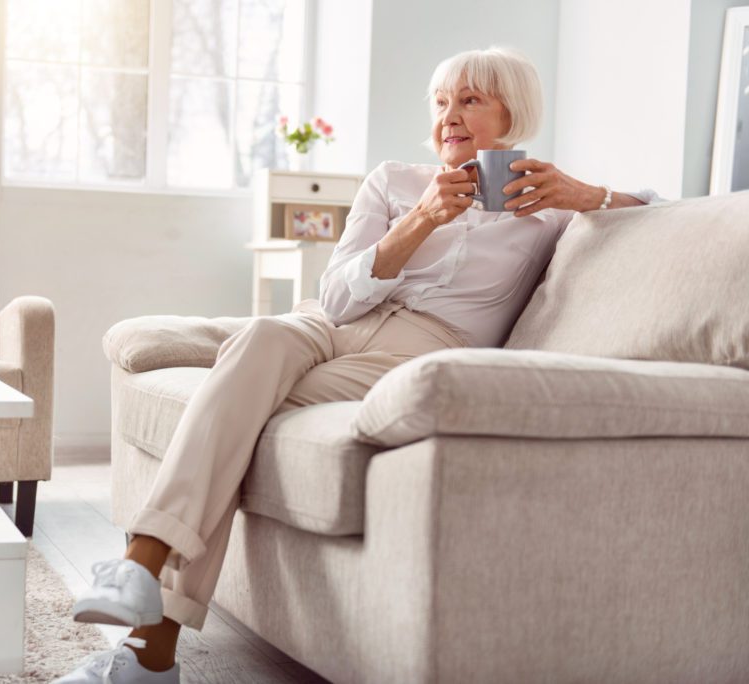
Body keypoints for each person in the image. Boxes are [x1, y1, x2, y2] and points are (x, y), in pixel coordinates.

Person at [51, 45, 664, 683]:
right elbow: (338, 294)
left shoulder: (549, 210)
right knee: (259, 338)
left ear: (513, 113)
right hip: (332, 322)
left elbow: (661, 216)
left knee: (239, 408)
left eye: (470, 100)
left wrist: (589, 193)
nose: (448, 116)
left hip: (425, 345)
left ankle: (147, 639)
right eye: (440, 101)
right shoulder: (394, 180)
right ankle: (142, 577)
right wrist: (422, 218)